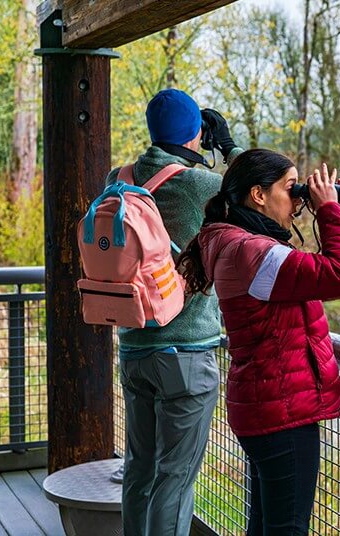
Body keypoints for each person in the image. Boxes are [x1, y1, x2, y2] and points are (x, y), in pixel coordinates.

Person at [177, 149, 340, 535]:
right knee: (285, 529)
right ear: (258, 195)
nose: (297, 199)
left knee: (265, 527)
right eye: (290, 188)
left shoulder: (237, 243)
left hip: (266, 405)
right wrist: (328, 209)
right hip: (283, 413)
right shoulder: (255, 254)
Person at [110, 88, 241, 536]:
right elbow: (259, 187)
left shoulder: (119, 178)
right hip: (186, 354)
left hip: (134, 349)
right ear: (196, 134)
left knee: (139, 470)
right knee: (176, 478)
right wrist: (226, 146)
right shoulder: (199, 185)